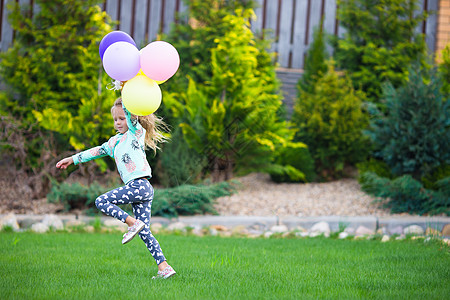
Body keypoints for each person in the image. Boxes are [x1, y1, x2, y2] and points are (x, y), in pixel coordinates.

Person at [56, 98, 176, 279]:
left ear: (130, 117)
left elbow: (130, 110)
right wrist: (73, 159)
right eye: (115, 119)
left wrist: (125, 87)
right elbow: (95, 151)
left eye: (122, 118)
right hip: (141, 189)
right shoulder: (114, 143)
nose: (118, 122)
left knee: (101, 201)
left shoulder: (136, 132)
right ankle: (164, 267)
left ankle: (131, 223)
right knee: (145, 232)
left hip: (140, 185)